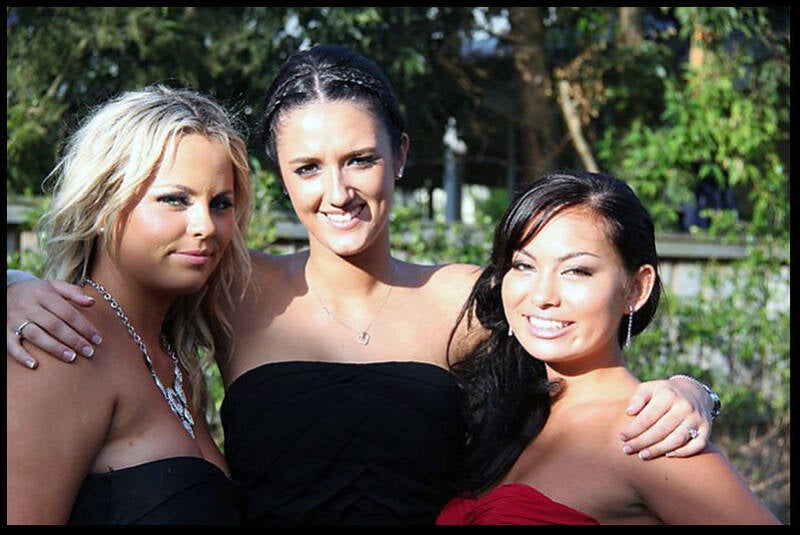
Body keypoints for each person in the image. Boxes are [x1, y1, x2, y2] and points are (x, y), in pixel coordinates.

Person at [6, 45, 719, 525]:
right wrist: (13, 285)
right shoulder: (234, 287)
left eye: (359, 159)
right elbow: (123, 283)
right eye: (308, 167)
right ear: (281, 175)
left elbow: (583, 377)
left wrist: (692, 392)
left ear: (399, 154)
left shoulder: (464, 299)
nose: (338, 191)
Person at [436, 170, 780, 525]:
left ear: (637, 288)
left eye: (576, 271)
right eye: (524, 265)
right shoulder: (502, 412)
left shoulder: (651, 434)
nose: (541, 295)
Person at [6, 86, 252, 525]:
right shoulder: (61, 341)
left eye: (221, 204)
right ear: (102, 205)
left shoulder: (174, 360)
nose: (206, 226)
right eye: (175, 199)